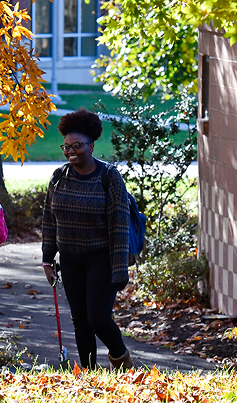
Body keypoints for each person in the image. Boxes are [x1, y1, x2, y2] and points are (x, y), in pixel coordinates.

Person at [41, 109, 135, 369]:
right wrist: (47, 259)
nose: (70, 151)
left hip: (100, 259)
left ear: (91, 146)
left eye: (77, 146)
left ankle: (121, 359)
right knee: (80, 320)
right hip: (70, 260)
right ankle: (90, 374)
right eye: (66, 146)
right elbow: (49, 219)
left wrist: (119, 269)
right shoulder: (59, 177)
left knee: (98, 318)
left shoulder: (108, 177)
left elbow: (119, 226)